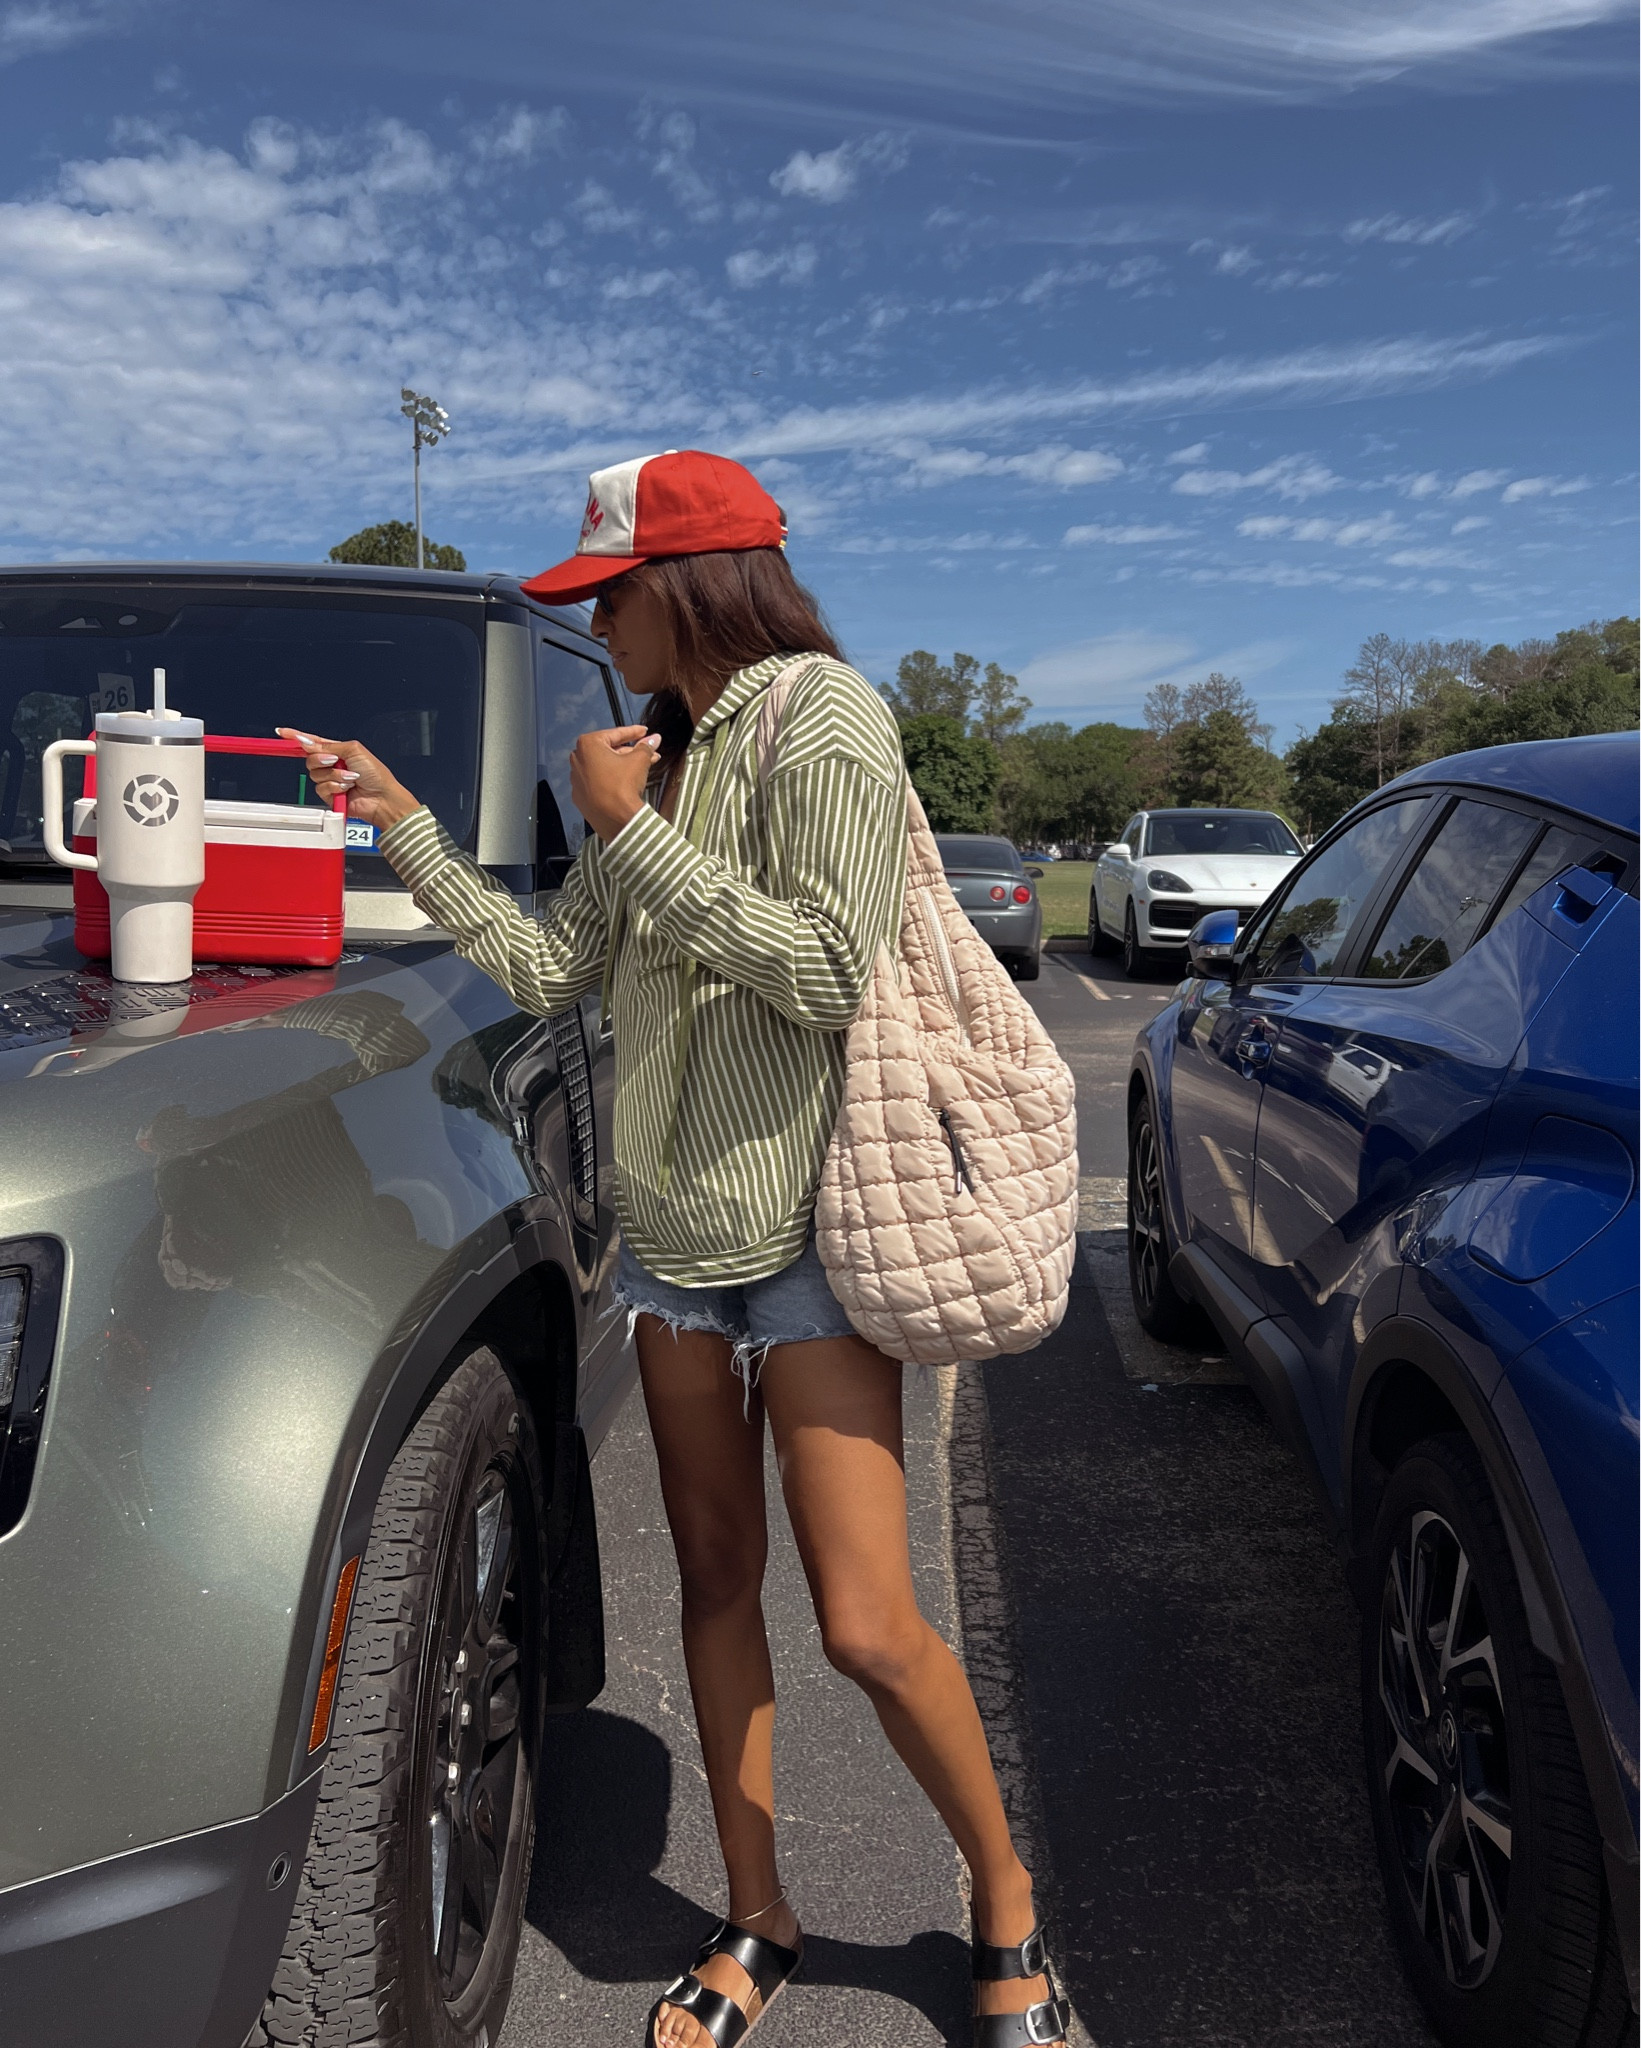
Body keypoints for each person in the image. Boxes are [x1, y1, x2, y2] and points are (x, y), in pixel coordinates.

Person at [282, 448, 1069, 2048]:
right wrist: (406, 823)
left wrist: (628, 829)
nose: (599, 630)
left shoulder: (824, 719)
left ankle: (1005, 1903)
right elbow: (546, 968)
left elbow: (825, 967)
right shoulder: (670, 758)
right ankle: (757, 1913)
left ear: (688, 587)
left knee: (865, 1624)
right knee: (714, 1584)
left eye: (611, 596)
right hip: (671, 1250)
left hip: (814, 1246)